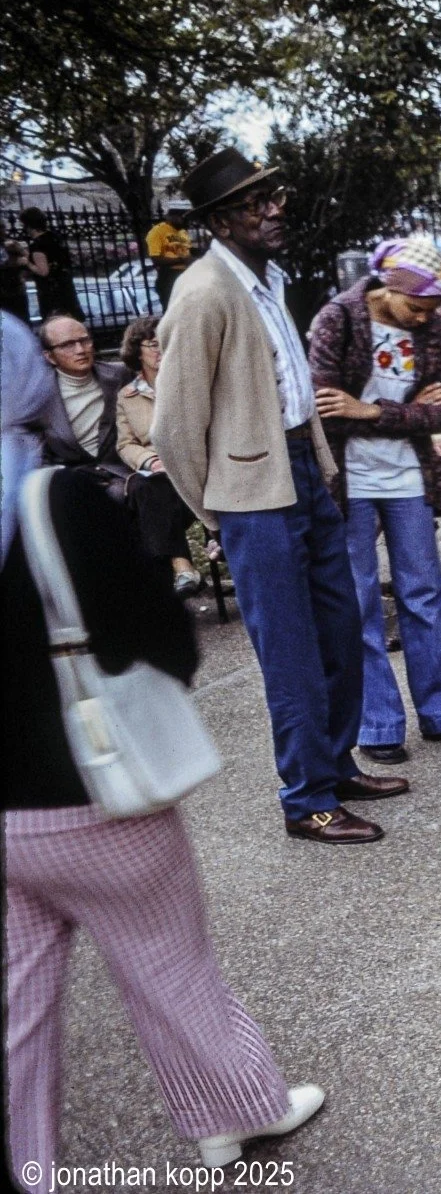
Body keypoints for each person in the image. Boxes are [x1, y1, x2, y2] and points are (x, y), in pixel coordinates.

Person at [3, 317, 325, 1187]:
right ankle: (234, 1112)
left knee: (18, 1013)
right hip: (90, 788)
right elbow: (160, 638)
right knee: (169, 965)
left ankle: (29, 1166)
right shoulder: (54, 499)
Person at [152, 147, 404, 843]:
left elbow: (293, 389)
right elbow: (173, 427)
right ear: (219, 222)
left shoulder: (266, 278)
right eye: (255, 204)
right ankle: (307, 800)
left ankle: (335, 764)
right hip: (252, 497)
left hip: (301, 473)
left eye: (274, 197)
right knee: (290, 655)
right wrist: (220, 510)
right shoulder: (204, 292)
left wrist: (318, 467)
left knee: (340, 630)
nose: (273, 211)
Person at [309, 237, 441, 766]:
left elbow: (440, 414)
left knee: (424, 591)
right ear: (389, 287)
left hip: (409, 475)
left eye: (432, 309)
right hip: (350, 480)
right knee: (359, 601)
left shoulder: (438, 328)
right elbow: (325, 407)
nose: (423, 319)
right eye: (416, 307)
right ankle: (378, 723)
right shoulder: (338, 319)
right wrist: (400, 411)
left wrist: (368, 411)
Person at [113, 315, 202, 595]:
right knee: (145, 486)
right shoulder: (127, 396)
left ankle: (179, 569)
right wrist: (150, 461)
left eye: (166, 341)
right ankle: (181, 566)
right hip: (159, 474)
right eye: (153, 344)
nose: (161, 349)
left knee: (152, 495)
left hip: (195, 466)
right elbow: (125, 444)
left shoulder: (191, 384)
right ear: (137, 351)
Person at [36, 314, 128, 475]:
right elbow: (37, 454)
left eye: (84, 340)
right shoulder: (38, 396)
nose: (80, 350)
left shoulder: (121, 375)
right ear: (49, 357)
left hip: (123, 472)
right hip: (71, 478)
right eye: (67, 345)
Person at [20, 208, 79, 321]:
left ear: (28, 225)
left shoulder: (38, 245)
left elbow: (43, 271)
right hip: (65, 286)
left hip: (51, 292)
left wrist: (27, 263)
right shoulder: (55, 238)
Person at [146, 198, 195, 308]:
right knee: (172, 309)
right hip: (169, 276)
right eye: (184, 218)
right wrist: (182, 259)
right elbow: (156, 259)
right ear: (173, 216)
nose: (187, 221)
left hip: (187, 274)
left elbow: (186, 252)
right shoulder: (157, 232)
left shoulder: (182, 232)